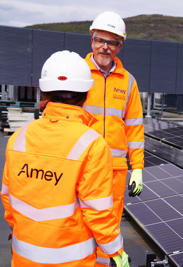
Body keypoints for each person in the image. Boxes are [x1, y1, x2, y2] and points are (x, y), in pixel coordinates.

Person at [0, 50, 129, 266]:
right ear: (86, 94)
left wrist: (17, 227)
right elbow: (98, 212)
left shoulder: (18, 138)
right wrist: (116, 252)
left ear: (43, 92)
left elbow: (8, 196)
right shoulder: (93, 145)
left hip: (23, 258)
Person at [83, 11, 145, 266]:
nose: (105, 47)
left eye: (112, 42)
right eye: (100, 40)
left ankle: (107, 259)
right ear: (91, 40)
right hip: (84, 166)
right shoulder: (79, 74)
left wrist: (138, 168)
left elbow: (135, 127)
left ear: (120, 46)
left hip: (116, 170)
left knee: (111, 219)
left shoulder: (129, 82)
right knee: (82, 218)